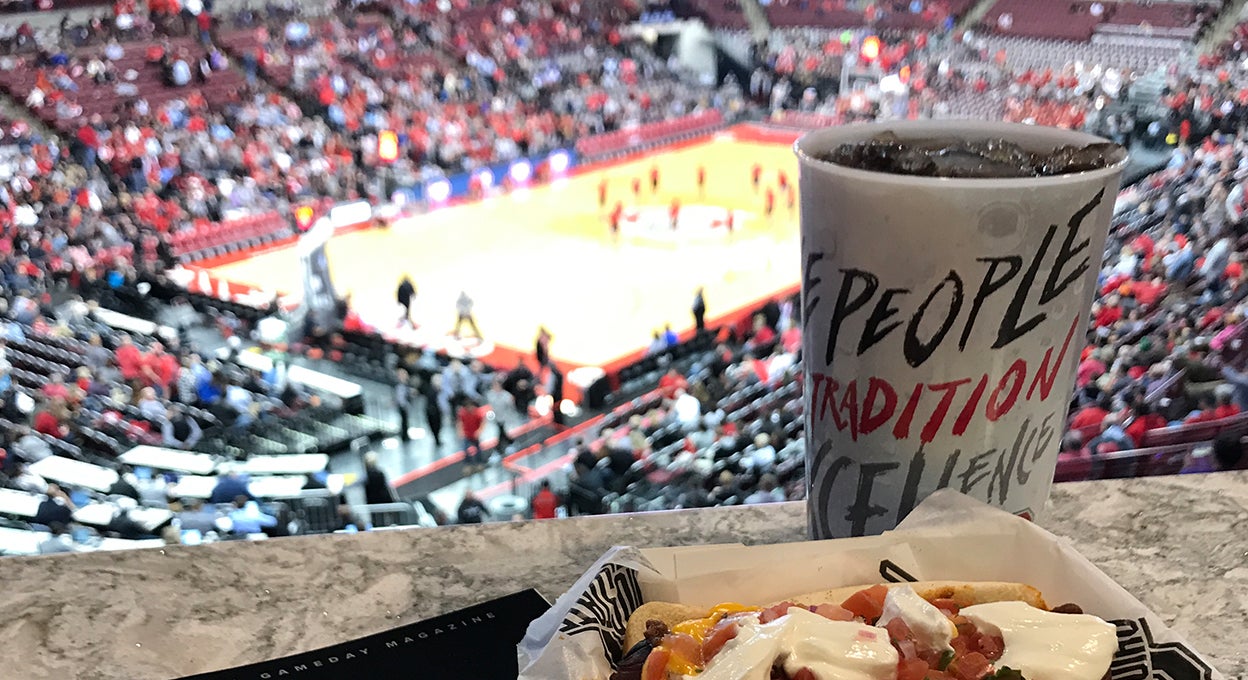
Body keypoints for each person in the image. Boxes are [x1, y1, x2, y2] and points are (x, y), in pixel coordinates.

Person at [457, 398, 486, 474]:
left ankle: (479, 463)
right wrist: (460, 431)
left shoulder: (477, 413)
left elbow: (483, 422)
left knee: (478, 450)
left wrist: (479, 431)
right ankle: (468, 465)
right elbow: (460, 422)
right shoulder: (463, 413)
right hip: (467, 434)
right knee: (465, 450)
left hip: (475, 435)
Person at [419, 374, 445, 450]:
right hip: (432, 412)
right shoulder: (431, 390)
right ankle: (436, 439)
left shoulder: (440, 390)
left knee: (439, 425)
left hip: (437, 411)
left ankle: (437, 439)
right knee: (435, 426)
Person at [394, 369, 412, 441]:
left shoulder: (405, 384)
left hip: (404, 405)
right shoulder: (400, 385)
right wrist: (404, 405)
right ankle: (404, 436)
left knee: (405, 421)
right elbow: (400, 397)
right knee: (404, 421)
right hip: (403, 406)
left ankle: (405, 434)